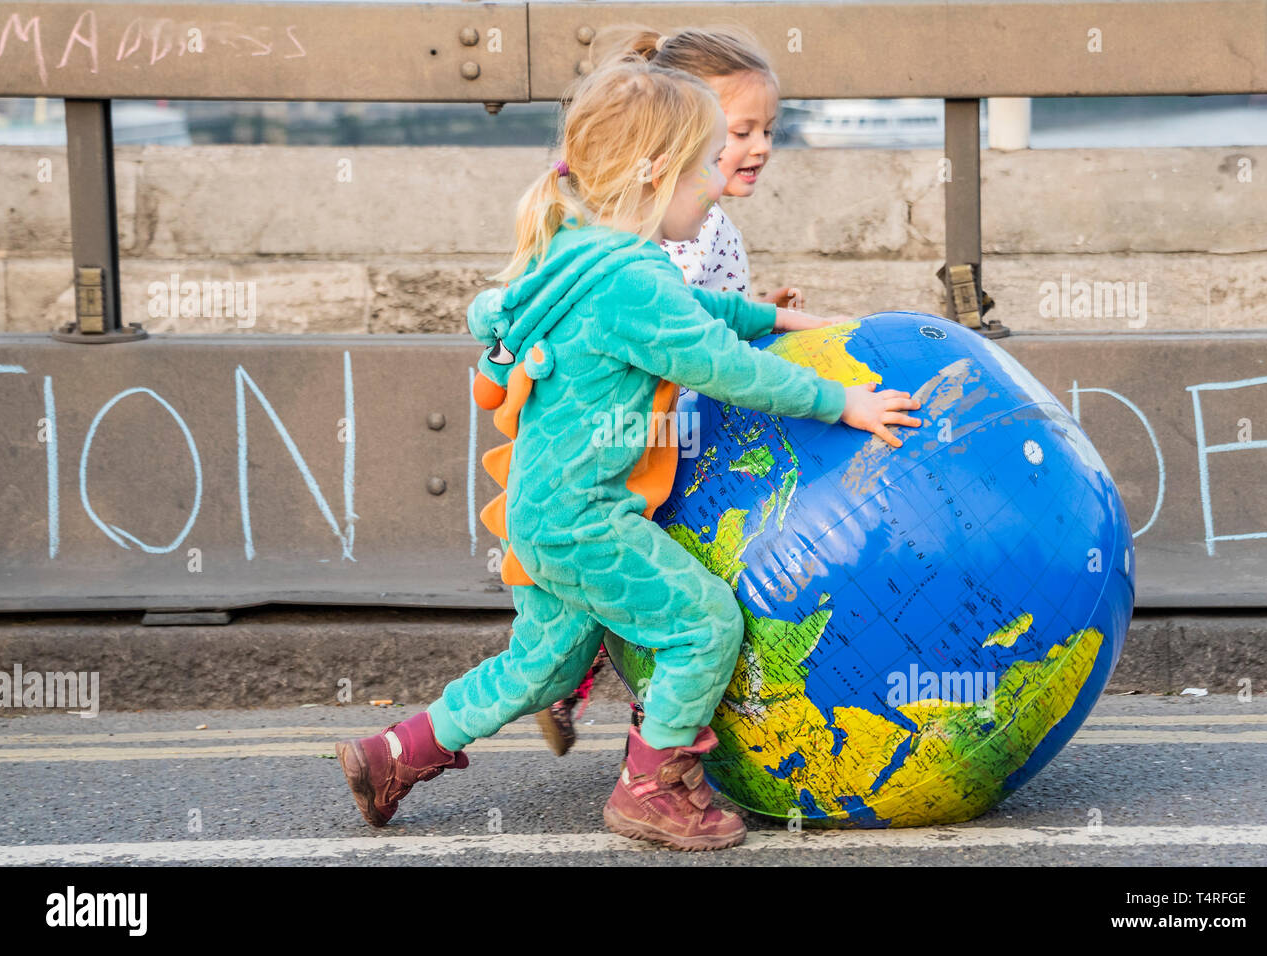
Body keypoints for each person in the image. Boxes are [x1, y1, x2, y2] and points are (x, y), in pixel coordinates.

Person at [336, 59, 922, 851]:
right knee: (706, 624)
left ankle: (392, 754)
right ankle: (652, 786)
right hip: (587, 521)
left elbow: (690, 310)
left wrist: (771, 318)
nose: (718, 186)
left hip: (543, 515)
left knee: (542, 666)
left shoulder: (585, 251)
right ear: (656, 174)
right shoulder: (635, 279)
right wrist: (839, 400)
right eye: (706, 168)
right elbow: (721, 366)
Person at [538, 26, 857, 754]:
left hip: (670, 426)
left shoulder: (702, 224)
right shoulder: (668, 232)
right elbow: (678, 339)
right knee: (675, 581)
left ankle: (588, 687)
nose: (760, 147)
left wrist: (757, 312)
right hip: (655, 433)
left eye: (769, 130)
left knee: (655, 576)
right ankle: (633, 720)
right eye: (740, 131)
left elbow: (706, 320)